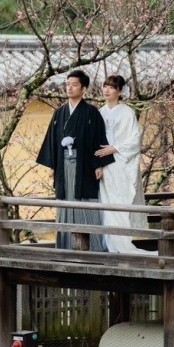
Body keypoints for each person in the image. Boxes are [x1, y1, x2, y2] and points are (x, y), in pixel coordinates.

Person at [36, 69, 113, 250]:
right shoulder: (59, 113)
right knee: (65, 201)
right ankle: (64, 247)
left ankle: (92, 247)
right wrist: (53, 165)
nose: (69, 88)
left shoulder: (91, 112)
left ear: (84, 88)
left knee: (85, 201)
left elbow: (98, 138)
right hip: (63, 164)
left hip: (84, 165)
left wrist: (99, 164)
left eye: (75, 84)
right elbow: (52, 141)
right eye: (68, 84)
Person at [94, 74, 148, 254]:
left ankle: (122, 242)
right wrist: (98, 163)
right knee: (106, 202)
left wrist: (115, 148)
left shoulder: (127, 112)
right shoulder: (100, 112)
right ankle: (108, 243)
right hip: (104, 163)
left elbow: (135, 140)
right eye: (105, 86)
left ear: (119, 91)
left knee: (120, 202)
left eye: (111, 87)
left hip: (120, 162)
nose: (107, 90)